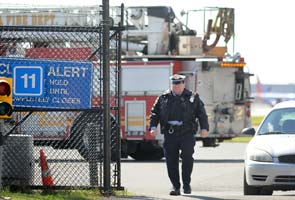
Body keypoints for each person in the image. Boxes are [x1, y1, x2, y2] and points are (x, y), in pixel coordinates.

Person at [149, 74, 209, 196]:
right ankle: (175, 186)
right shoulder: (163, 97)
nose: (176, 86)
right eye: (174, 84)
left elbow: (201, 113)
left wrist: (204, 128)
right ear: (171, 85)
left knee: (187, 157)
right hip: (170, 133)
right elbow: (154, 113)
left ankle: (186, 184)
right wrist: (153, 127)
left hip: (186, 132)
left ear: (183, 84)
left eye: (179, 83)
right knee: (171, 160)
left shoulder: (193, 97)